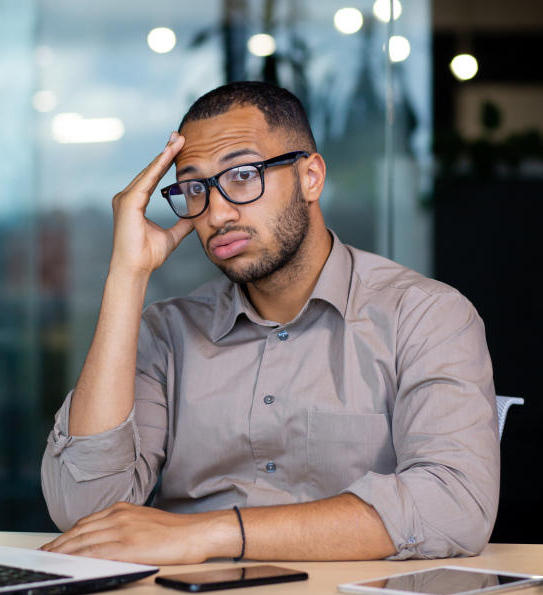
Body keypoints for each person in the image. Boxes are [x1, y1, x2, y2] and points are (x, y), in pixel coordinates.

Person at [39, 81, 499, 565]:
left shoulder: (424, 316)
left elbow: (454, 506)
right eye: (195, 187)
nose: (216, 212)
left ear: (311, 177)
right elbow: (84, 510)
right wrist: (126, 275)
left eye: (242, 175)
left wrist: (213, 534)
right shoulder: (168, 335)